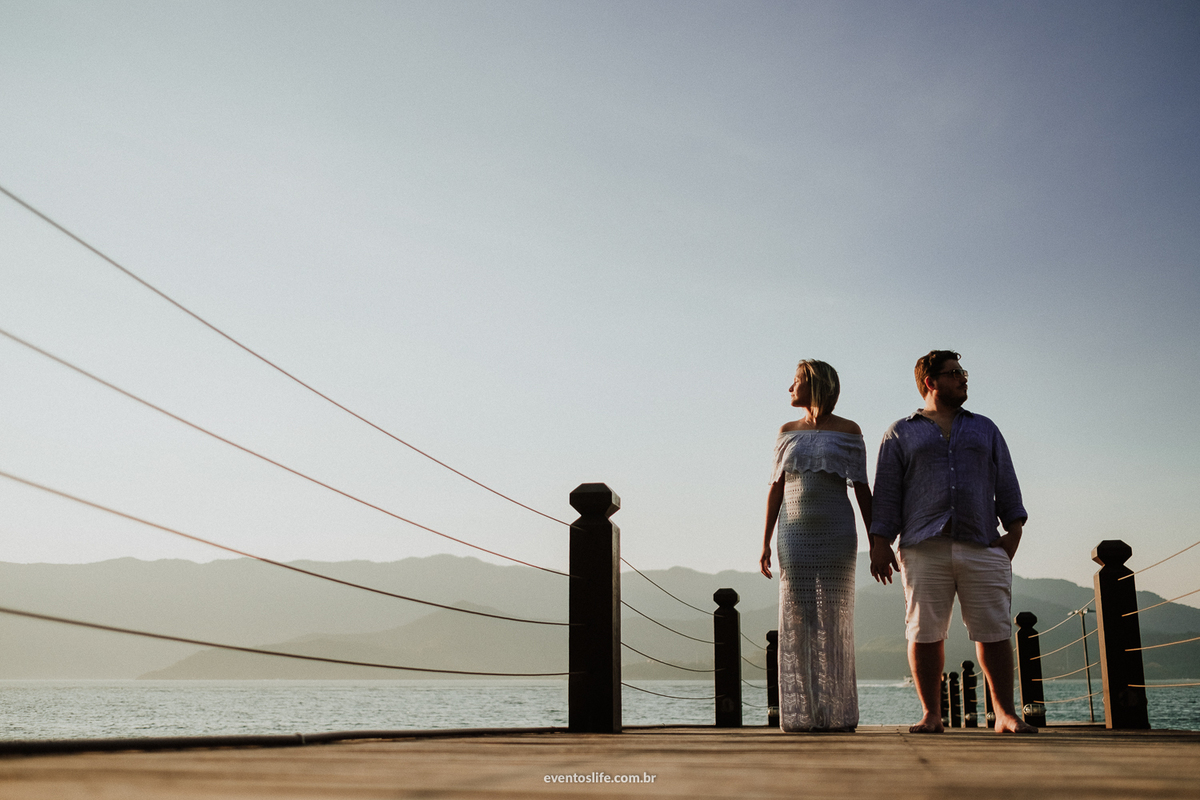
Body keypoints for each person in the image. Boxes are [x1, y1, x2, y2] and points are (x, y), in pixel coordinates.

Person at [868, 350, 1036, 734]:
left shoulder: (985, 428)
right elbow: (888, 492)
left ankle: (1005, 714)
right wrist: (880, 542)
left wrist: (1015, 532)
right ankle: (931, 714)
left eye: (964, 372)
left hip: (983, 542)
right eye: (955, 373)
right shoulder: (900, 432)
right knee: (925, 632)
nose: (963, 379)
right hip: (923, 545)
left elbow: (1006, 479)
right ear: (931, 381)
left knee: (994, 630)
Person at [760, 359, 872, 732]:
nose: (789, 388)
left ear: (815, 385)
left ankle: (835, 712)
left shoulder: (849, 431)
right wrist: (763, 542)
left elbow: (862, 489)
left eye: (795, 382)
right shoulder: (787, 430)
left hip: (838, 533)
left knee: (834, 619)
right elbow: (776, 487)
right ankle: (806, 712)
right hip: (793, 534)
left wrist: (879, 544)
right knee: (802, 620)